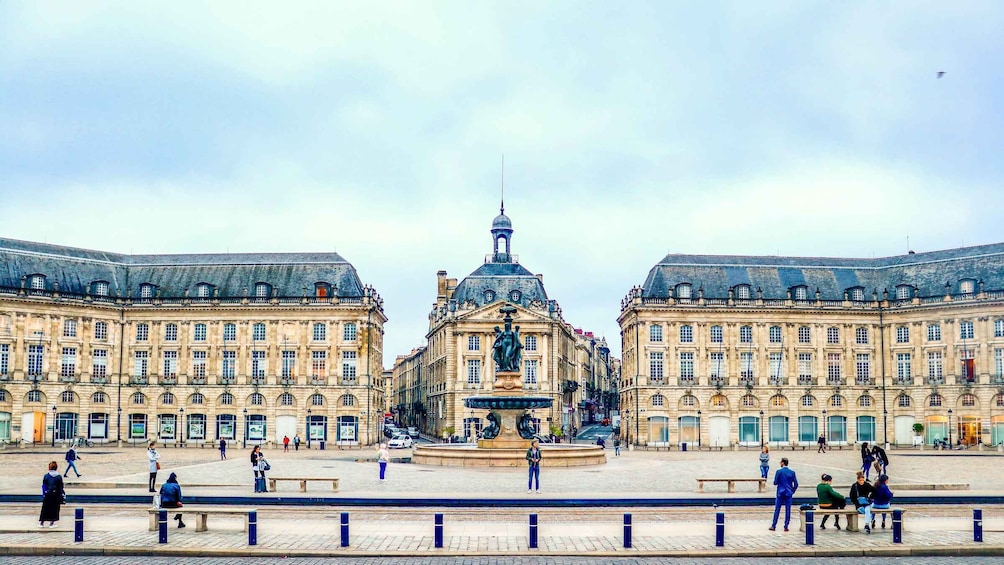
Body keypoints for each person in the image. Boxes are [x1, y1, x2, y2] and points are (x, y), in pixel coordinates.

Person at [769, 457, 798, 532]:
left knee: (777, 509)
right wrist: (792, 491)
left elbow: (775, 482)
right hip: (788, 493)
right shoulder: (792, 472)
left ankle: (773, 525)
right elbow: (796, 484)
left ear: (782, 463)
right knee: (788, 510)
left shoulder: (779, 471)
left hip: (780, 493)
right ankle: (786, 526)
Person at [39, 461, 65, 528]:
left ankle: (42, 523)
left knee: (45, 509)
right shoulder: (58, 477)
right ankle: (51, 523)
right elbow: (61, 487)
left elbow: (44, 485)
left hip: (47, 494)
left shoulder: (46, 476)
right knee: (55, 509)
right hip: (55, 495)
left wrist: (44, 493)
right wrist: (62, 494)